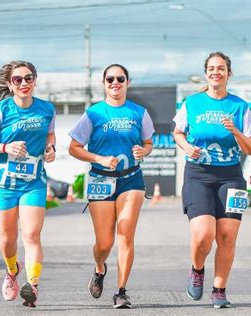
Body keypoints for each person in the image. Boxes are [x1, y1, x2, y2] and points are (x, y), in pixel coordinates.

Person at [172, 52, 251, 308]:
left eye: (221, 68)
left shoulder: (240, 106)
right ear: (206, 73)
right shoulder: (193, 103)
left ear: (229, 74)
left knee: (228, 236)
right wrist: (187, 147)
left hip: (231, 176)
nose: (216, 72)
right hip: (198, 174)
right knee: (203, 235)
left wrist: (235, 131)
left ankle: (219, 289)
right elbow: (177, 133)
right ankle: (197, 270)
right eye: (211, 68)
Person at [68, 64, 155, 309]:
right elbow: (73, 148)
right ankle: (99, 268)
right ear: (104, 83)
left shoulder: (139, 113)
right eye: (110, 79)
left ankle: (121, 291)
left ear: (128, 82)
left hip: (131, 179)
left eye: (120, 78)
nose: (115, 82)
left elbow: (148, 143)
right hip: (100, 179)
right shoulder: (94, 114)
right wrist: (99, 158)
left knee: (126, 232)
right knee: (104, 243)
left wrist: (143, 150)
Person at [0, 61, 56, 308]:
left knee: (31, 234)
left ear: (35, 80)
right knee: (7, 239)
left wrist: (50, 148)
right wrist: (5, 147)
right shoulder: (0, 110)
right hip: (4, 182)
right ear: (10, 85)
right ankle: (12, 271)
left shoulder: (46, 109)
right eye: (18, 79)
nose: (23, 83)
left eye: (28, 78)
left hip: (34, 182)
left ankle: (32, 286)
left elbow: (50, 135)